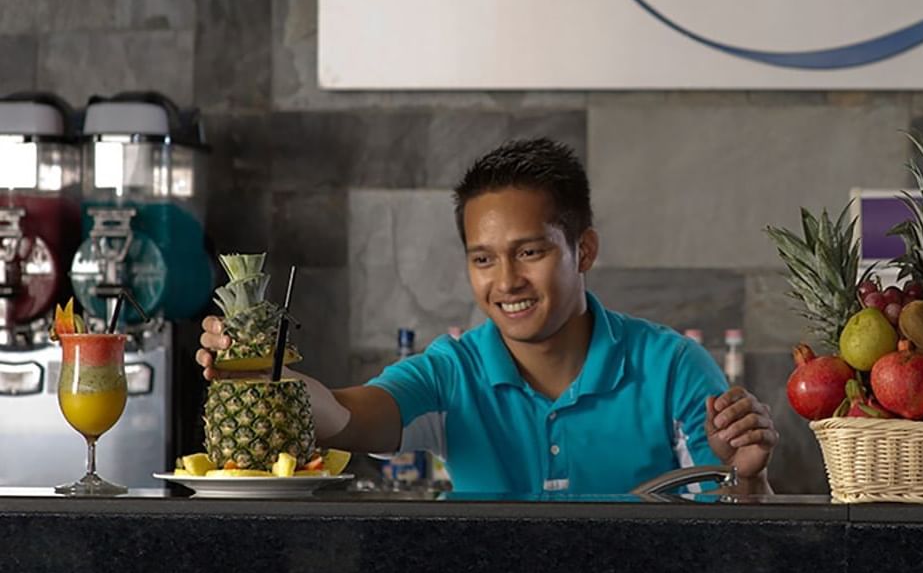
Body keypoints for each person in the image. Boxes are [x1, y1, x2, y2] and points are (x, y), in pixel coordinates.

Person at [196, 138, 778, 496]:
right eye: (483, 259)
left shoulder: (672, 368)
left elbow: (730, 540)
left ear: (585, 250)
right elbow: (347, 418)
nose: (506, 282)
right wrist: (267, 379)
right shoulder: (453, 371)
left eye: (531, 251)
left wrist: (747, 478)